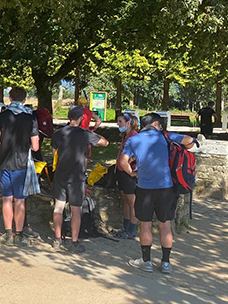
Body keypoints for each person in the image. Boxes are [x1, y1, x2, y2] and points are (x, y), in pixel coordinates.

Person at [119, 113, 196, 274]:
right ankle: (166, 263)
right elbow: (189, 141)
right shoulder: (165, 136)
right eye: (160, 124)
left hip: (144, 187)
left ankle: (146, 261)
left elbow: (122, 161)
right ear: (155, 124)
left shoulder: (134, 139)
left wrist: (132, 173)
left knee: (145, 224)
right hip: (165, 188)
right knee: (165, 225)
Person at [50, 106, 109, 252]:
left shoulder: (58, 133)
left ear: (68, 117)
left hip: (60, 174)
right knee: (76, 209)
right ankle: (74, 242)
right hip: (77, 176)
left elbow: (54, 153)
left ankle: (57, 240)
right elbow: (105, 142)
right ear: (82, 118)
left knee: (58, 207)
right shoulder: (85, 134)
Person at [0, 87, 40, 247]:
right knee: (20, 201)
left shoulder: (1, 117)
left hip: (5, 161)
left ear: (9, 98)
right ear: (25, 99)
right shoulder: (30, 118)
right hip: (22, 164)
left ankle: (8, 234)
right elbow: (35, 146)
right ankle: (19, 234)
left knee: (7, 199)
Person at [112, 112, 140, 239]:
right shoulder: (126, 135)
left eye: (120, 121)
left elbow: (134, 154)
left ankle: (132, 230)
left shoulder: (133, 136)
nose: (118, 124)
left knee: (132, 202)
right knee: (125, 199)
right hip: (121, 172)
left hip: (128, 173)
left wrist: (128, 166)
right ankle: (126, 227)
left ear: (128, 123)